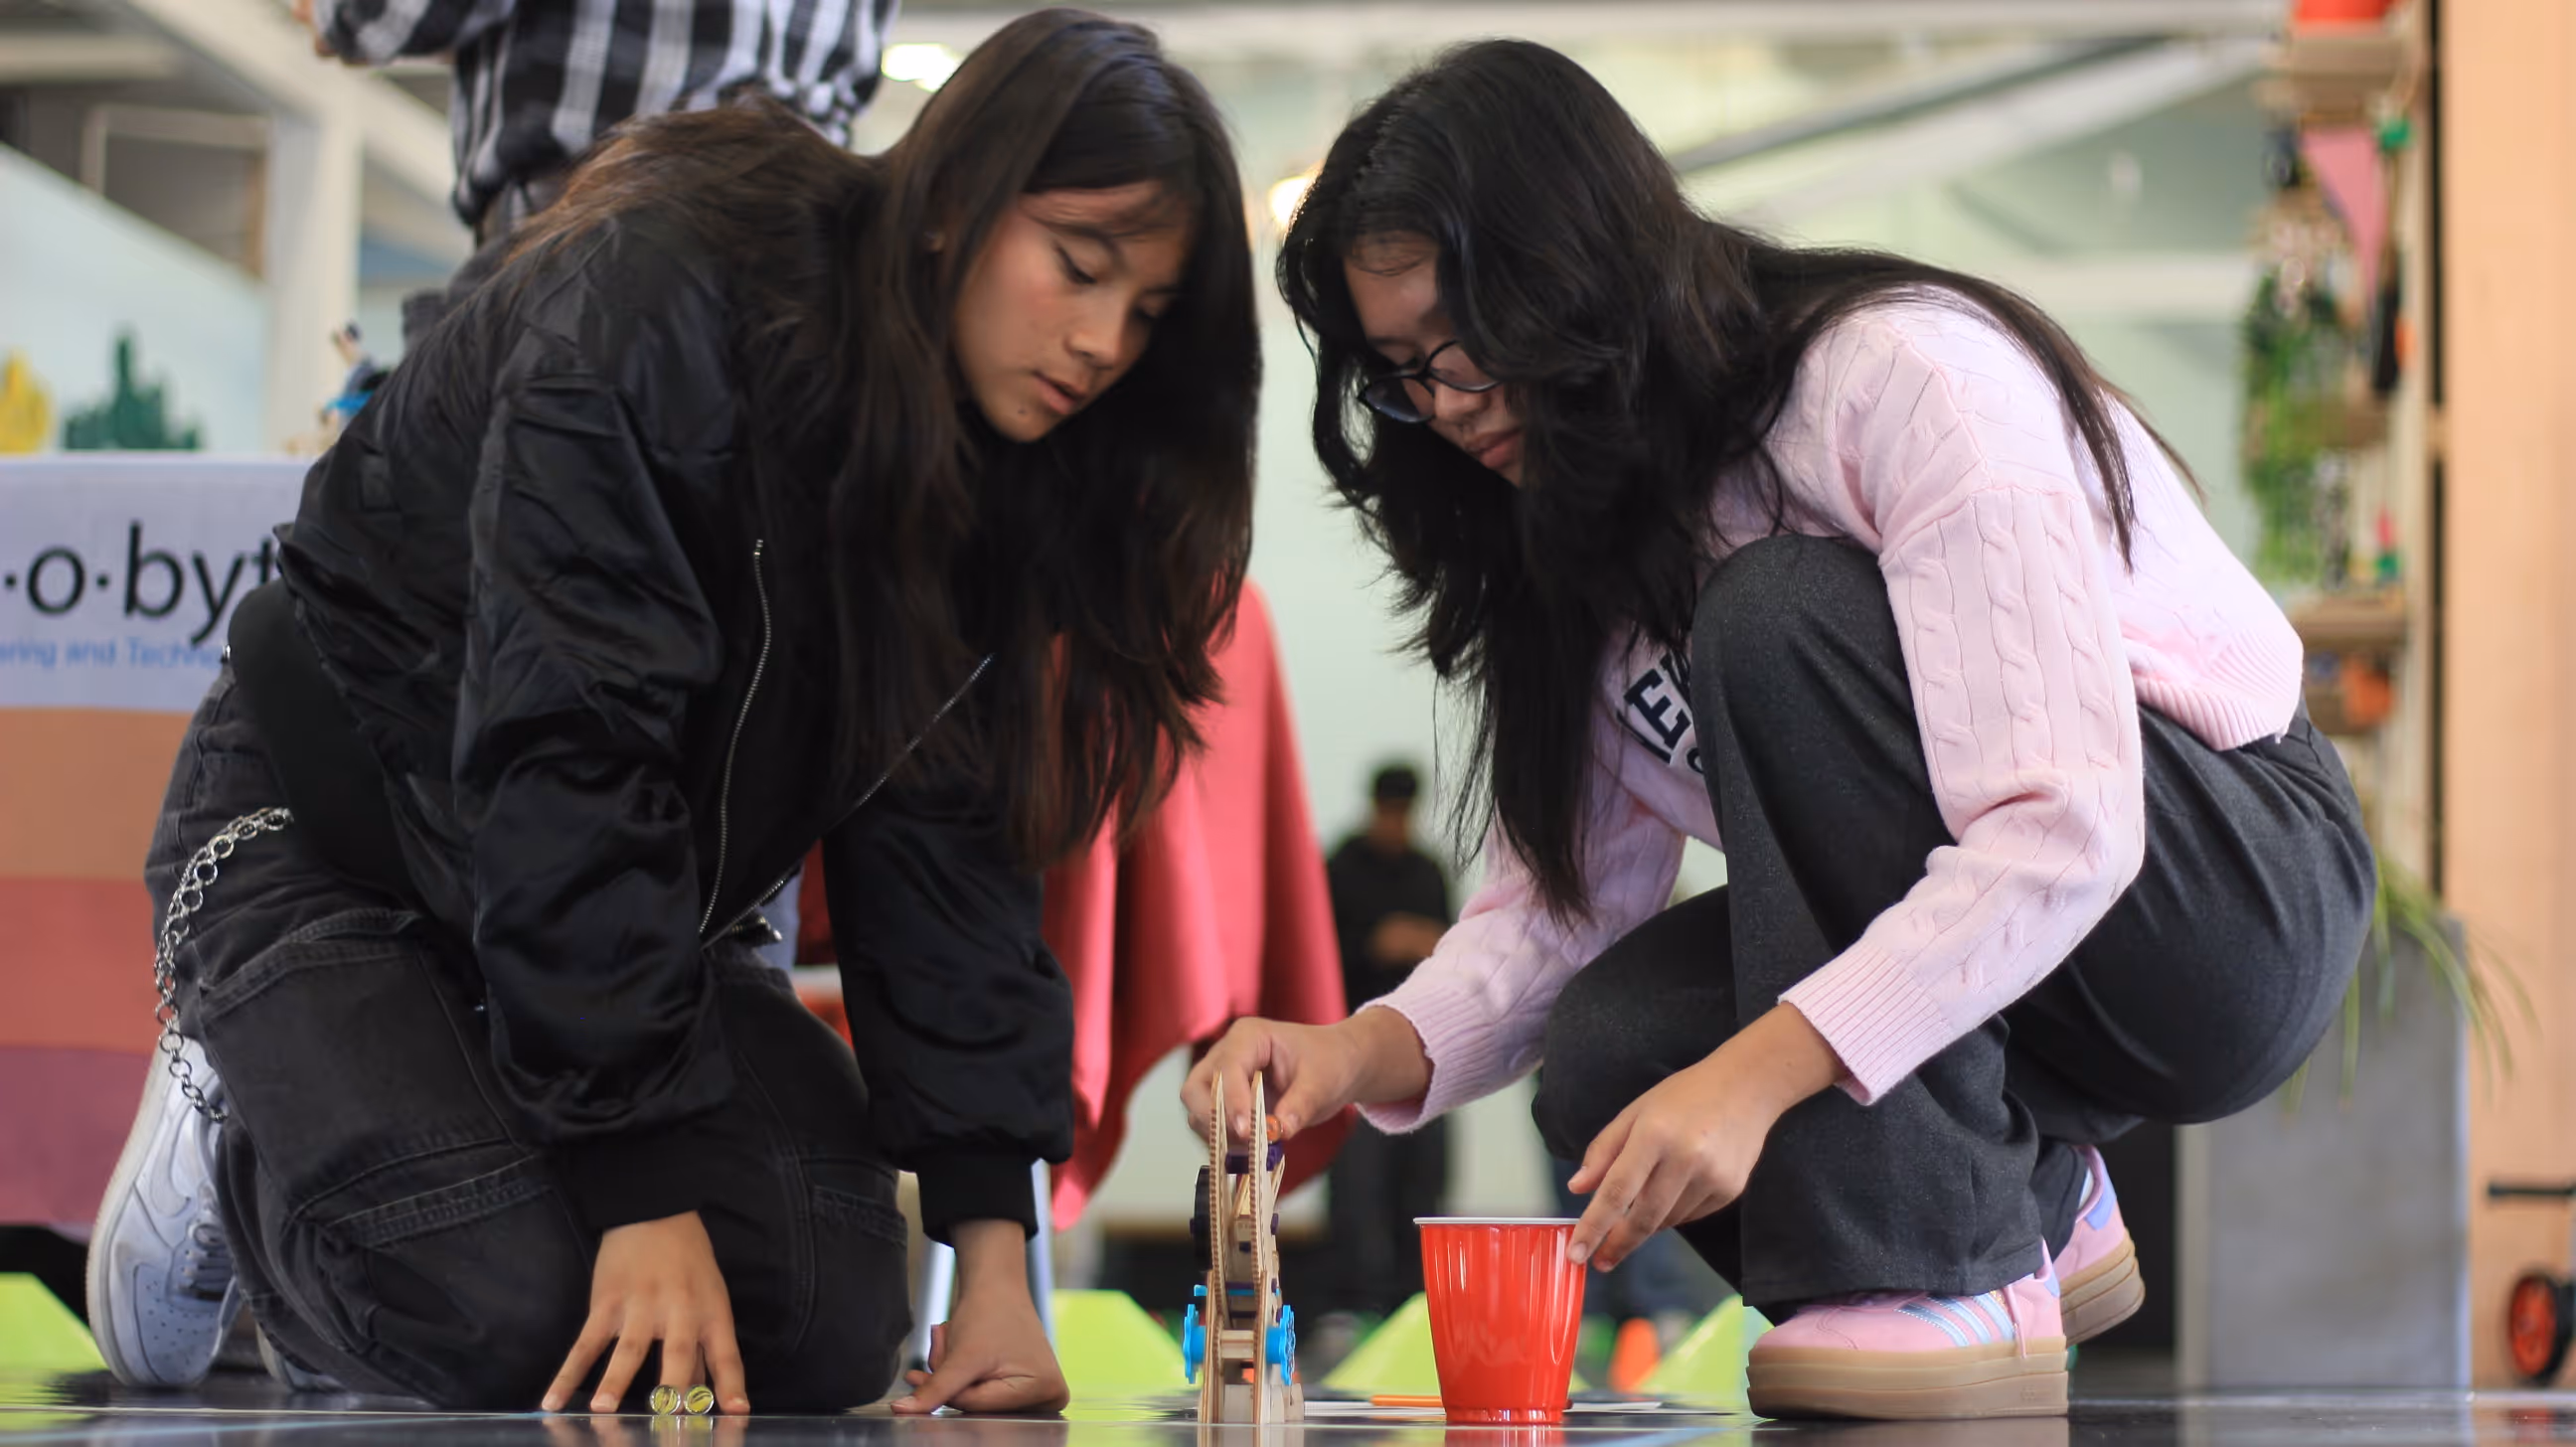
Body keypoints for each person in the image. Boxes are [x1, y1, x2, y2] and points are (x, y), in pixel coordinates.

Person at [88, 10, 1257, 1417]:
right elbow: (566, 751)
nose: (1099, 343)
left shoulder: (993, 459)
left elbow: (944, 847)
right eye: (1080, 268)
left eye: (1143, 314)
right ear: (960, 197)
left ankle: (438, 1138)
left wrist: (991, 1248)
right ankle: (246, 1129)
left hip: (593, 915)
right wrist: (639, 1188)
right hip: (337, 839)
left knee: (831, 1328)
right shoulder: (664, 298)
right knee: (510, 1312)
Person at [1189, 40, 2371, 1422]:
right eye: (1403, 371)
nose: (1450, 405)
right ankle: (2025, 1205)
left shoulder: (1893, 379)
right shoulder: (1574, 539)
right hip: (2022, 992)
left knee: (1779, 615)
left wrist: (1753, 1076)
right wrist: (1350, 1055)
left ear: (1577, 268)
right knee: (1612, 1054)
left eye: (1469, 342)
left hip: (2224, 903)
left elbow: (2067, 825)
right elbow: (1555, 920)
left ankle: (1948, 1261)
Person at [292, 0, 901, 344]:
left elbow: (398, 13)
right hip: (804, 261)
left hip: (585, 238)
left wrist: (336, 17)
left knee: (508, 537)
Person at [1321, 763, 1451, 1319]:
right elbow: (1319, 955)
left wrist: (1430, 943)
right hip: (1352, 1048)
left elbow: (1457, 950)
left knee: (1422, 1178)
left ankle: (1411, 1304)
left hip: (1423, 1050)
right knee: (1357, 1183)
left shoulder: (1427, 871)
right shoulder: (1341, 867)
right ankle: (1351, 1301)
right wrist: (1376, 945)